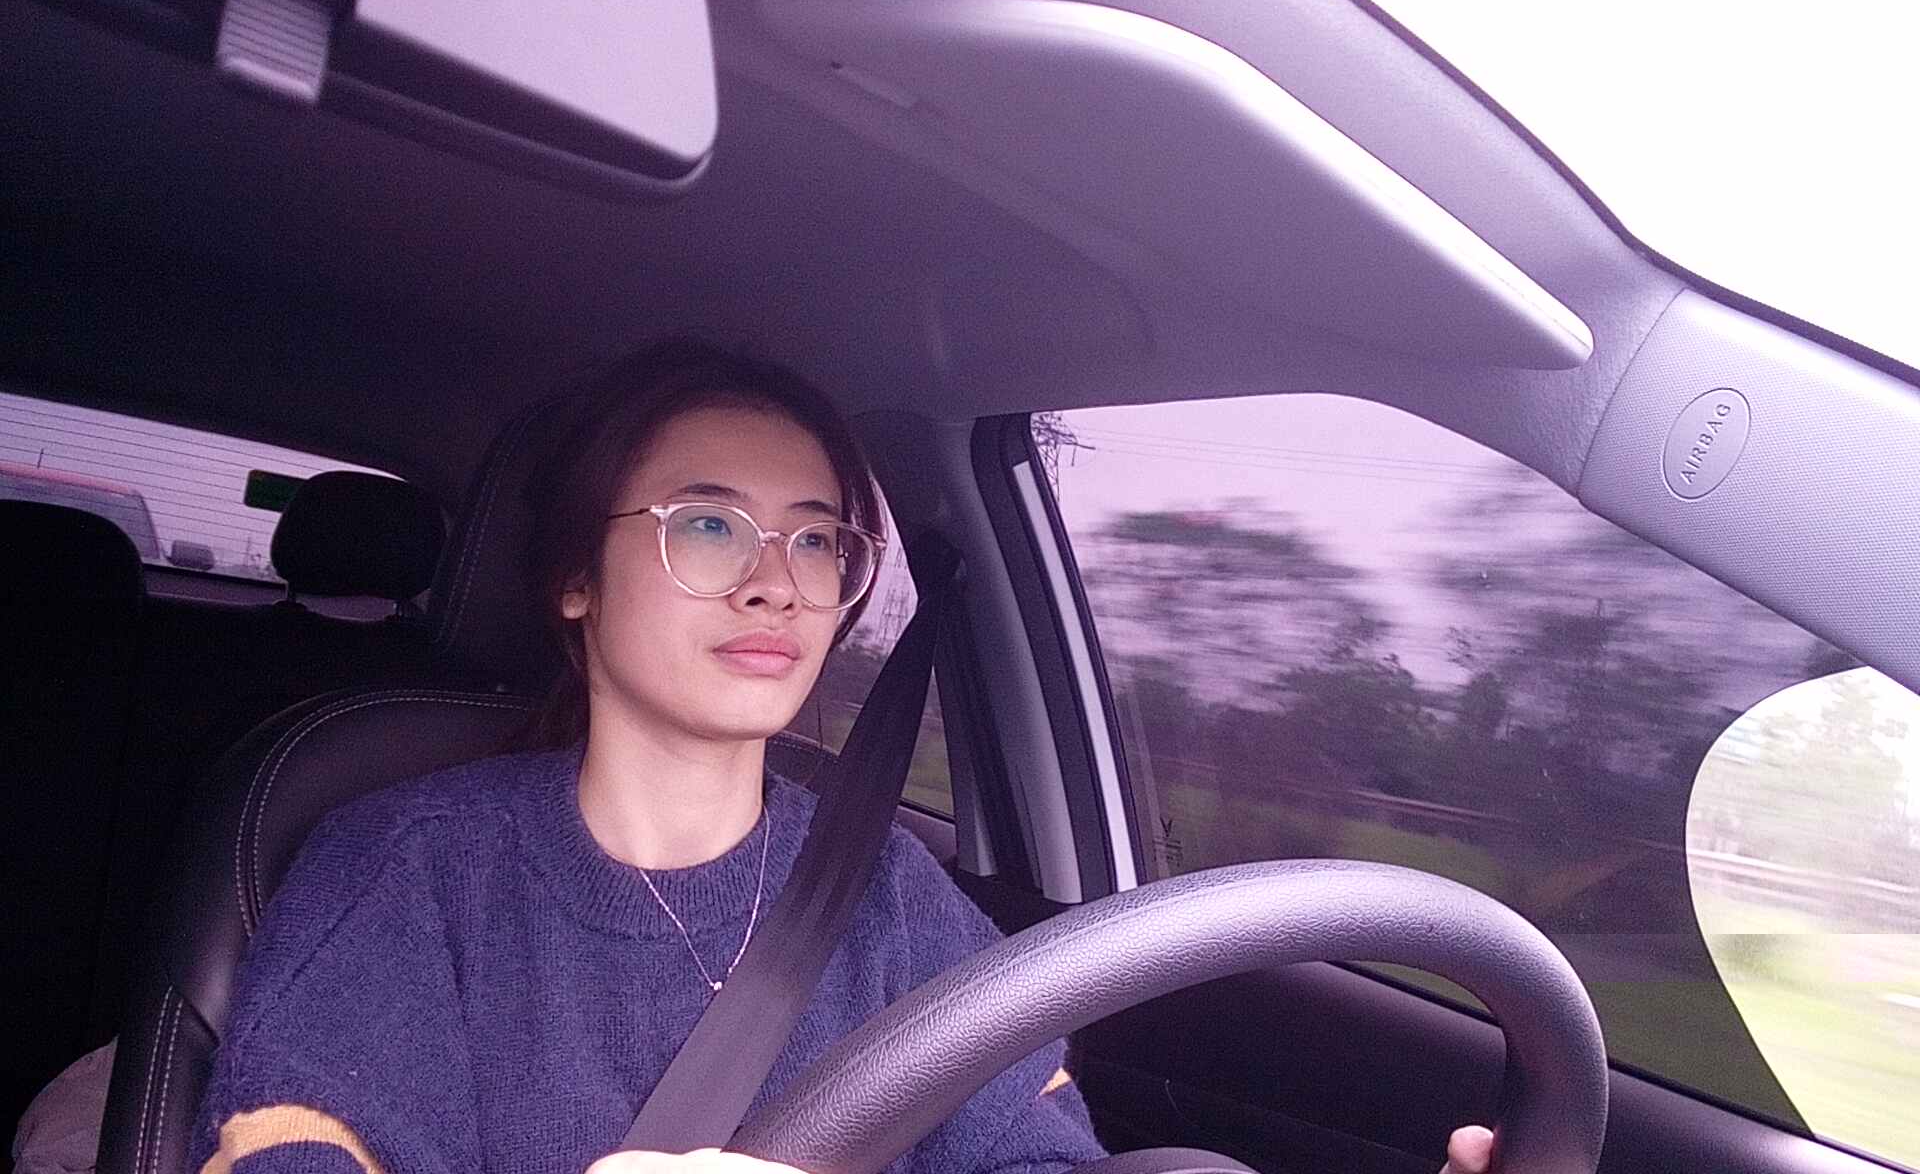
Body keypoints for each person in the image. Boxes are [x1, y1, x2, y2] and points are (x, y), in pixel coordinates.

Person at [186, 340, 1493, 1174]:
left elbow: (1031, 1161)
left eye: (815, 539)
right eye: (709, 525)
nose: (777, 582)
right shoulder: (408, 864)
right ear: (576, 576)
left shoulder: (887, 894)